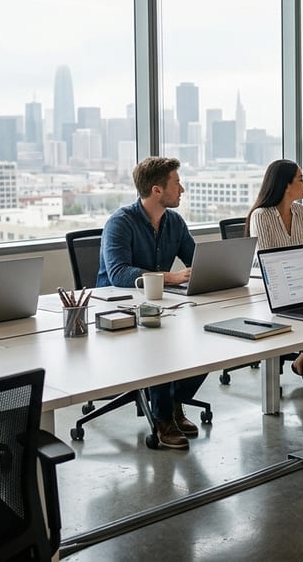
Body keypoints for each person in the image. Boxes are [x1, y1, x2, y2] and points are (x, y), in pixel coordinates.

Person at [96, 156, 207, 450]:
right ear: (157, 190)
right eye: (176, 183)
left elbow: (196, 260)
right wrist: (171, 278)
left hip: (160, 304)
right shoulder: (120, 222)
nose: (182, 189)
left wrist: (210, 272)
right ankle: (163, 419)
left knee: (208, 338)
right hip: (115, 307)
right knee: (160, 342)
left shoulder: (174, 222)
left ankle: (175, 402)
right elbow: (119, 273)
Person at [246, 159, 303, 395]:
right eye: (300, 179)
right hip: (272, 289)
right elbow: (270, 258)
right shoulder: (261, 215)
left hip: (302, 282)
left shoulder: (300, 211)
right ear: (285, 185)